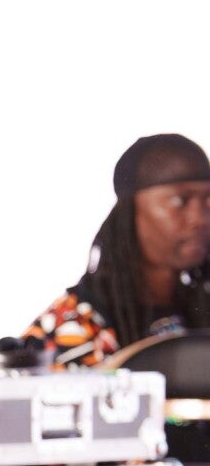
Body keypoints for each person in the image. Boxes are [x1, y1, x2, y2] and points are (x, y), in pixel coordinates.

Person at [19, 134, 210, 363]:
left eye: (208, 201)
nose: (200, 219)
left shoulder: (200, 306)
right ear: (130, 214)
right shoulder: (73, 325)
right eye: (180, 201)